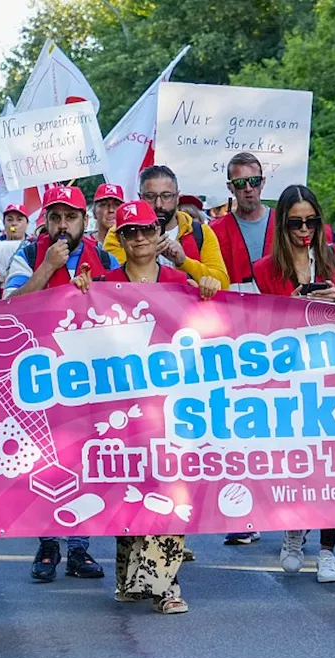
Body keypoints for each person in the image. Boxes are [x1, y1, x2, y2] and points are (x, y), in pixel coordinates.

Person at [71, 199, 219, 614]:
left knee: (172, 488)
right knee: (132, 490)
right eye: (130, 232)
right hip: (122, 408)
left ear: (159, 234)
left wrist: (207, 287)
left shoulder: (179, 282)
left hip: (173, 406)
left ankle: (167, 587)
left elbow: (215, 321)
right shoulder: (103, 282)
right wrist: (80, 294)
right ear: (119, 237)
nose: (139, 239)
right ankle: (132, 579)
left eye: (146, 231)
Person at [243, 185, 335, 582]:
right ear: (281, 225)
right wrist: (288, 306)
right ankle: (294, 530)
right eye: (295, 222)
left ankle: (327, 551)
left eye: (311, 221)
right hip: (286, 382)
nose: (304, 230)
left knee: (333, 467)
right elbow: (248, 328)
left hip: (333, 374)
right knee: (297, 465)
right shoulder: (264, 270)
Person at [2, 186, 114, 581]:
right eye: (55, 217)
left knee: (85, 460)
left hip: (94, 376)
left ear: (86, 220)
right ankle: (48, 544)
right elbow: (10, 305)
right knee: (48, 461)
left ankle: (80, 547)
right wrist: (47, 268)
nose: (62, 225)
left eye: (70, 217)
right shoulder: (30, 254)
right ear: (45, 221)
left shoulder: (104, 256)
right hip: (42, 374)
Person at [105, 166, 229, 290]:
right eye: (150, 196)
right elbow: (109, 282)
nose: (158, 204)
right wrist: (145, 256)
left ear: (177, 197)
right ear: (140, 197)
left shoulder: (200, 232)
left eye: (166, 196)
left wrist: (184, 262)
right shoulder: (122, 233)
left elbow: (222, 284)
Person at [209, 152, 275, 295]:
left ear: (263, 182)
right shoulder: (214, 231)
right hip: (233, 309)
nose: (248, 188)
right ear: (230, 187)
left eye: (254, 181)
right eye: (240, 183)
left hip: (277, 309)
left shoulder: (284, 224)